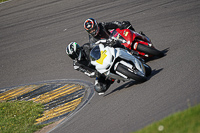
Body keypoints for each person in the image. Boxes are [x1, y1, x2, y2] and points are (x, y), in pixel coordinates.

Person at [83, 18, 151, 46]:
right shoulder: (91, 39)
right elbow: (94, 47)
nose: (93, 31)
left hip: (114, 37)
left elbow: (114, 24)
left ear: (96, 25)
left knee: (126, 24)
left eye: (93, 29)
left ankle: (138, 36)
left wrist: (121, 25)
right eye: (90, 31)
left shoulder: (102, 25)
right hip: (110, 47)